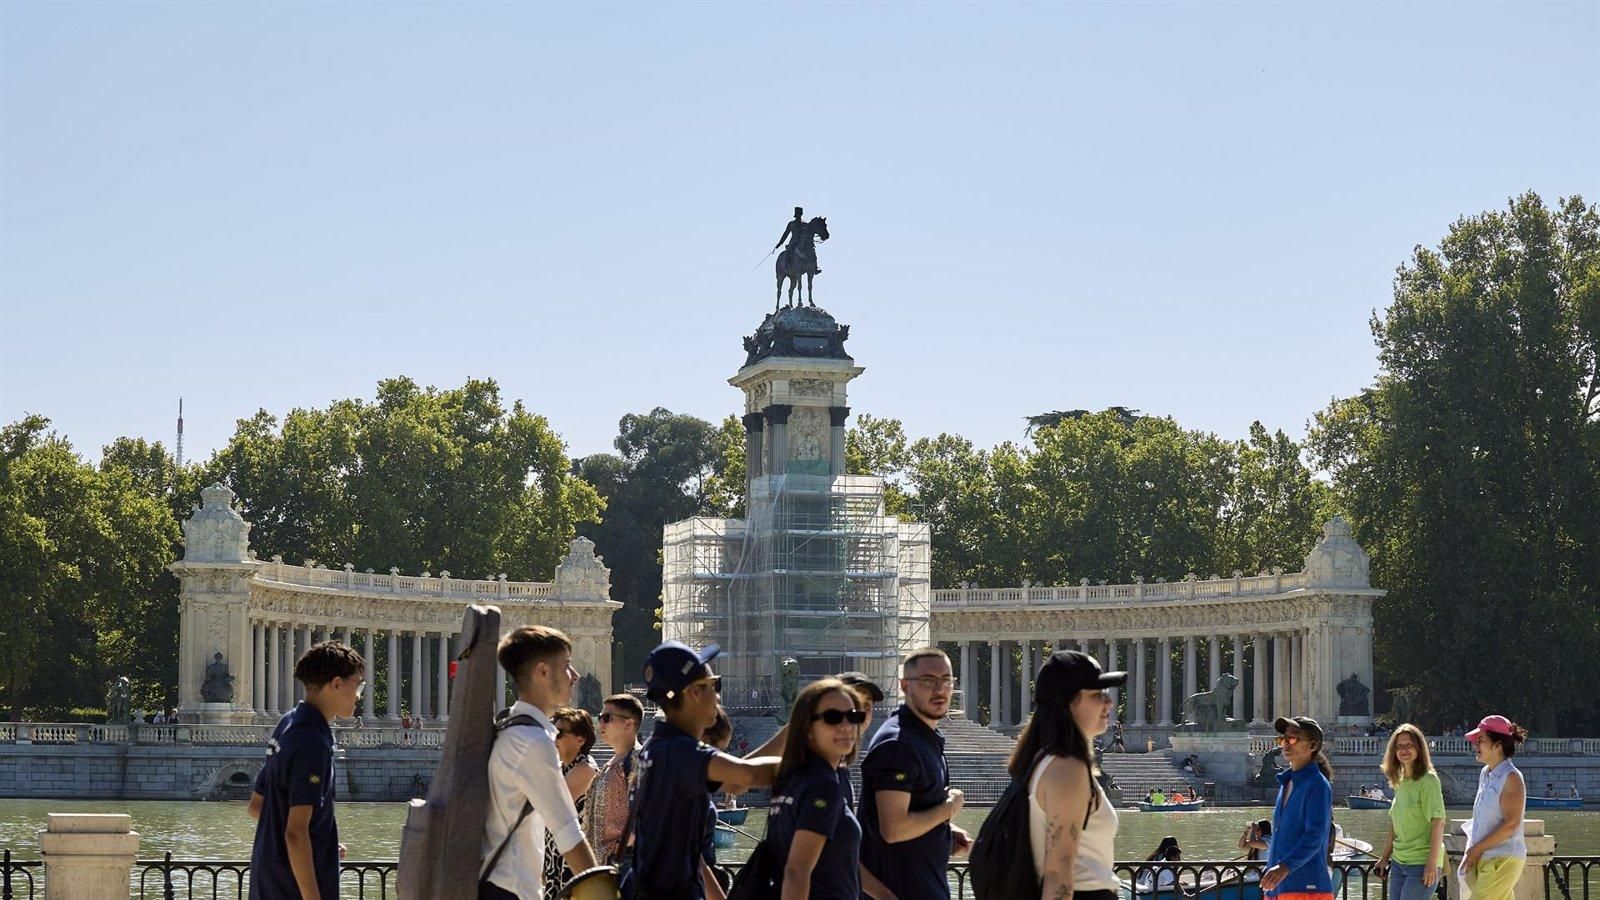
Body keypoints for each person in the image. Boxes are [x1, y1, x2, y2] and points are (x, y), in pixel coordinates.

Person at [629, 641, 779, 900]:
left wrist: (793, 730)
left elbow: (735, 784)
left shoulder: (657, 748)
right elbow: (749, 776)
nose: (719, 696)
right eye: (715, 685)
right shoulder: (681, 751)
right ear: (694, 692)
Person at [478, 626, 598, 900]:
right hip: (510, 890)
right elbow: (568, 833)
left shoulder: (507, 727)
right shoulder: (533, 741)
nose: (575, 676)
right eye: (567, 665)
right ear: (543, 672)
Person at [247, 640, 364, 900]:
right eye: (357, 684)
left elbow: (257, 806)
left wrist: (323, 844)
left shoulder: (288, 723)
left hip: (268, 883)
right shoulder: (313, 741)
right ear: (336, 684)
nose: (359, 695)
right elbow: (296, 832)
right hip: (292, 890)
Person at [859, 648, 970, 900]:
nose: (940, 689)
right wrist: (950, 807)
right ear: (905, 686)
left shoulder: (925, 739)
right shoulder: (897, 744)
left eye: (946, 680)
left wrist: (944, 832)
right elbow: (894, 829)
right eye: (928, 680)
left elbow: (911, 815)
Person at [1013, 649, 1125, 900]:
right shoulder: (1067, 770)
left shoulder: (1043, 759)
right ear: (1068, 702)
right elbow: (1058, 873)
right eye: (1098, 694)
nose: (1109, 703)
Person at [767, 678, 867, 899]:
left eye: (853, 716)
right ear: (807, 728)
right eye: (832, 718)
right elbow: (797, 872)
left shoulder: (790, 778)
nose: (846, 726)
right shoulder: (824, 786)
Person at [1261, 716, 1334, 900]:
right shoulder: (1286, 782)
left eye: (1293, 738)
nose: (1286, 743)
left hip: (1307, 888)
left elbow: (1315, 835)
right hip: (1279, 887)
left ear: (1312, 745)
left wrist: (1285, 866)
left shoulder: (1317, 784)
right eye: (1283, 738)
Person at [1372, 724, 1446, 900]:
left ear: (1419, 748)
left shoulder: (1428, 780)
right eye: (1399, 746)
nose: (1404, 750)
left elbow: (1438, 822)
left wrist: (1432, 864)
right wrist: (1384, 858)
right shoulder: (1401, 780)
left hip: (1421, 863)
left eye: (1409, 745)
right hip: (1398, 863)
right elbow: (1395, 826)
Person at [1460, 715, 1528, 900]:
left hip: (1503, 857)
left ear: (1497, 745)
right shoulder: (1486, 773)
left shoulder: (1511, 777)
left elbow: (1511, 824)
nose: (1476, 744)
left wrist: (1476, 850)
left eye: (1480, 740)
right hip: (1486, 857)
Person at [543, 708, 599, 900]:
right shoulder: (560, 767)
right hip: (555, 860)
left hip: (573, 864)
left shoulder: (585, 768)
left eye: (559, 733)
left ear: (580, 739)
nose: (554, 738)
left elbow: (551, 804)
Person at [583, 693, 643, 866]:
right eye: (600, 717)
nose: (600, 722)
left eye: (607, 718)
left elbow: (649, 814)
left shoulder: (637, 759)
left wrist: (619, 850)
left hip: (621, 867)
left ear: (628, 724)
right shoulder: (612, 763)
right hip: (603, 867)